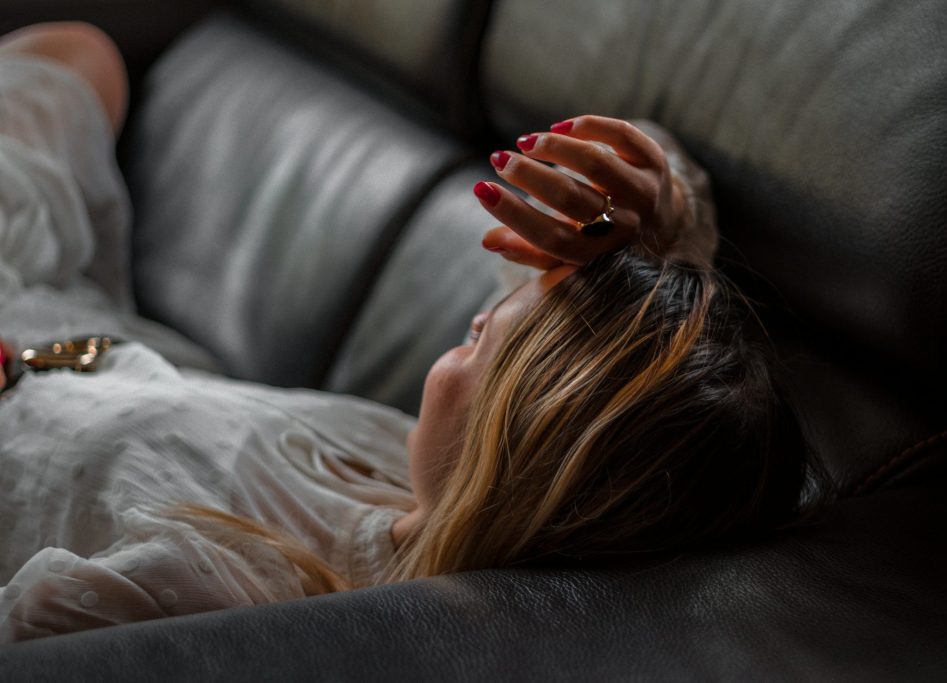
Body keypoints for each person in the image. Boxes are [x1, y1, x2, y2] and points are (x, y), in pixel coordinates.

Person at [0, 23, 825, 642]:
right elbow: (650, 380)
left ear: (525, 449)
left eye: (525, 332)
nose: (504, 303)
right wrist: (655, 219)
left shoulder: (228, 600)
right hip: (70, 319)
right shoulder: (410, 468)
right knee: (81, 56)